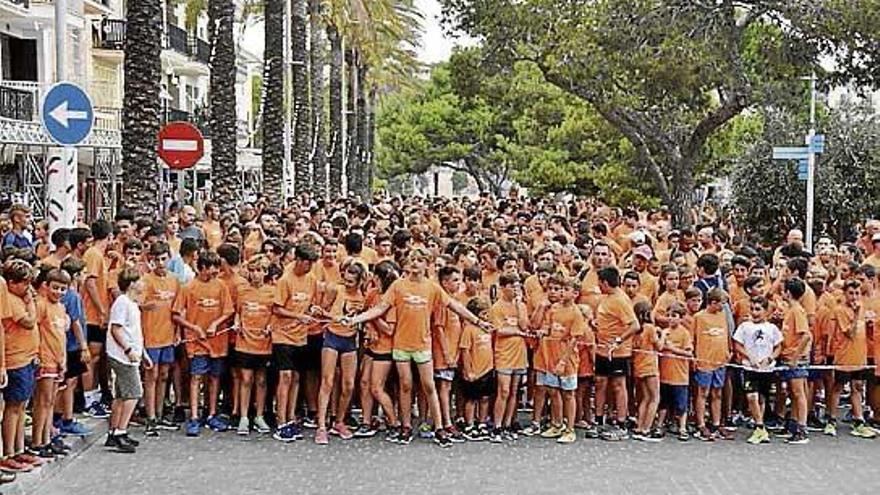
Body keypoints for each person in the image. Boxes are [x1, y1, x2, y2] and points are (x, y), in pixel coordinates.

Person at [342, 248, 494, 447]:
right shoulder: (398, 286)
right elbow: (380, 308)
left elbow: (455, 306)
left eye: (420, 260)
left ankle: (439, 427)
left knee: (429, 386)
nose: (415, 263)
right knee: (405, 385)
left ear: (426, 264)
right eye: (412, 259)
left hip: (423, 345)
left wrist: (478, 322)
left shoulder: (432, 287)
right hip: (401, 345)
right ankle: (405, 426)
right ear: (407, 264)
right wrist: (355, 319)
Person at [172, 251, 234, 437]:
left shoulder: (221, 286)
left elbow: (228, 311)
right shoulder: (188, 288)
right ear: (202, 268)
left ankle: (212, 414)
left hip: (217, 342)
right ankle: (194, 416)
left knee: (215, 377)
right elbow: (176, 315)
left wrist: (215, 324)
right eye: (212, 268)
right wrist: (194, 328)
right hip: (196, 342)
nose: (215, 271)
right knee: (196, 377)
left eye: (217, 267)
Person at [271, 243, 321, 442]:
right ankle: (281, 421)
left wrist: (313, 311)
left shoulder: (312, 279)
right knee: (285, 377)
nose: (309, 268)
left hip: (301, 336)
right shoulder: (285, 280)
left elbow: (311, 303)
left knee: (296, 379)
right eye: (307, 264)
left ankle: (291, 418)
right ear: (298, 260)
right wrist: (298, 316)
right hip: (283, 335)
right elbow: (277, 309)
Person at [314, 261, 368, 445]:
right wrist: (334, 317)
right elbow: (320, 311)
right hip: (332, 336)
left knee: (349, 385)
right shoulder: (335, 289)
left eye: (351, 281)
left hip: (350, 340)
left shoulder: (363, 296)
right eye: (346, 279)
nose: (347, 283)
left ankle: (339, 421)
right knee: (327, 381)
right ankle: (321, 425)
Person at [1, 259, 43, 472]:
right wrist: (30, 302)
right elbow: (28, 322)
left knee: (22, 406)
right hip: (14, 359)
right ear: (11, 282)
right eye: (24, 283)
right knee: (13, 407)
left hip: (27, 358)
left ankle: (19, 449)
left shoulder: (19, 296)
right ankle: (9, 452)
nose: (28, 288)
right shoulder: (10, 299)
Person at [105, 267, 151, 453]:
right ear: (131, 283)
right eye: (140, 280)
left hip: (131, 354)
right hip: (123, 356)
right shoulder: (122, 302)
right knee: (133, 393)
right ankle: (120, 431)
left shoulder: (132, 303)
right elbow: (116, 329)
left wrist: (143, 353)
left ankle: (113, 431)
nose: (143, 284)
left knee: (121, 395)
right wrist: (129, 349)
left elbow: (134, 333)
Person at [537, 277, 588, 444]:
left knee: (568, 394)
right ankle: (556, 423)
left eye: (566, 290)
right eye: (562, 289)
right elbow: (547, 326)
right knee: (552, 390)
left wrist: (563, 361)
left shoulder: (576, 314)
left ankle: (570, 428)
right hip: (550, 356)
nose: (561, 292)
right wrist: (543, 331)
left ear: (575, 294)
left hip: (567, 360)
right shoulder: (554, 308)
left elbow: (574, 340)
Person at [824, 280, 876, 438]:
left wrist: (869, 325)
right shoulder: (840, 310)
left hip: (859, 356)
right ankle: (831, 420)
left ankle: (859, 421)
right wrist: (855, 316)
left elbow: (867, 335)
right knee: (838, 387)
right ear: (845, 293)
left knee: (857, 387)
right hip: (844, 357)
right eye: (851, 293)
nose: (854, 297)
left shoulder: (863, 309)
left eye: (857, 293)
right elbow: (849, 333)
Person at [594, 266, 640, 441]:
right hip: (602, 349)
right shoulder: (607, 298)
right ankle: (599, 421)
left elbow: (634, 325)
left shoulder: (620, 300)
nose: (598, 285)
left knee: (618, 385)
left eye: (599, 282)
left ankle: (621, 423)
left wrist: (619, 340)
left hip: (617, 352)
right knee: (600, 382)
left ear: (605, 283)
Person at [140, 242, 180, 436]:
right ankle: (150, 417)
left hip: (168, 335)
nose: (160, 263)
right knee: (151, 376)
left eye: (163, 259)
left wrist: (178, 332)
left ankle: (160, 412)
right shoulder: (146, 280)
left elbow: (178, 310)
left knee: (164, 375)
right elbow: (137, 303)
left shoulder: (175, 280)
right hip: (150, 336)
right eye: (156, 259)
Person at [233, 255, 275, 436]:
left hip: (263, 343)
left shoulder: (272, 292)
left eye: (259, 271)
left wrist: (271, 324)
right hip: (245, 342)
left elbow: (275, 313)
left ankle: (259, 416)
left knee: (261, 380)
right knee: (246, 379)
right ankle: (243, 417)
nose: (256, 274)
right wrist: (237, 323)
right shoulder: (242, 291)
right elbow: (237, 311)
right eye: (253, 271)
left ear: (265, 272)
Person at [733, 295, 782, 445]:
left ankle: (759, 427)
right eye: (752, 309)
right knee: (751, 397)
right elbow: (738, 345)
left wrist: (770, 358)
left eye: (758, 309)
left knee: (761, 399)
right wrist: (750, 357)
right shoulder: (744, 327)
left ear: (766, 311)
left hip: (767, 370)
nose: (754, 312)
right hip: (750, 368)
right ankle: (760, 427)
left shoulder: (772, 328)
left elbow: (778, 346)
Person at [488, 273, 530, 442]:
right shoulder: (497, 307)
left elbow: (525, 326)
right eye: (511, 286)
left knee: (514, 391)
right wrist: (516, 332)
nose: (515, 289)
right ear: (503, 287)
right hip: (504, 354)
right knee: (503, 390)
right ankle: (497, 426)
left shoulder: (521, 306)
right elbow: (499, 331)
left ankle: (507, 424)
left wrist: (520, 306)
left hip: (519, 353)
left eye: (517, 286)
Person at [81, 219, 113, 419]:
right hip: (92, 315)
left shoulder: (98, 255)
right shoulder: (93, 254)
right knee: (92, 358)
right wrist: (102, 310)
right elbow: (91, 283)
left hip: (95, 314)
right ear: (108, 236)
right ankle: (89, 399)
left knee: (97, 357)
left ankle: (94, 396)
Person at [692, 288, 733, 441]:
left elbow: (726, 334)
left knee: (717, 393)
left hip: (720, 361)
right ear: (713, 302)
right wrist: (694, 357)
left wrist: (729, 350)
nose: (724, 306)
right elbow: (693, 339)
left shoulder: (722, 315)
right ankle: (701, 423)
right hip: (704, 361)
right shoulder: (699, 317)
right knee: (703, 393)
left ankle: (716, 423)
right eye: (722, 303)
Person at [778, 277, 812, 444]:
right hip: (788, 355)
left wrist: (796, 357)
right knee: (792, 392)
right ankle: (792, 423)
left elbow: (806, 335)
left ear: (788, 293)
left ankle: (802, 428)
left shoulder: (797, 311)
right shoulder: (790, 311)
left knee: (799, 393)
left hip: (795, 358)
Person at [459, 296, 495, 442]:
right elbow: (465, 350)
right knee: (471, 399)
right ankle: (469, 424)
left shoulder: (487, 329)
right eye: (484, 314)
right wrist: (468, 370)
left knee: (485, 398)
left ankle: (481, 423)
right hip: (474, 371)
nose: (487, 317)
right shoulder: (469, 330)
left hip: (487, 369)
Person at [657, 302, 693, 442]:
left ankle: (682, 427)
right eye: (669, 316)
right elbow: (660, 347)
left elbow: (689, 353)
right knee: (663, 402)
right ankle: (660, 424)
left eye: (674, 316)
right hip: (665, 375)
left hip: (680, 376)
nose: (671, 319)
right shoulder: (665, 332)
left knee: (681, 404)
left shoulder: (684, 333)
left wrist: (672, 349)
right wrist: (662, 336)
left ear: (681, 317)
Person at [632, 300, 665, 442]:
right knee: (654, 398)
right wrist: (662, 334)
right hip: (650, 366)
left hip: (638, 365)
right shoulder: (650, 328)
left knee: (645, 398)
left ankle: (640, 426)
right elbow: (659, 347)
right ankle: (646, 428)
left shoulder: (635, 330)